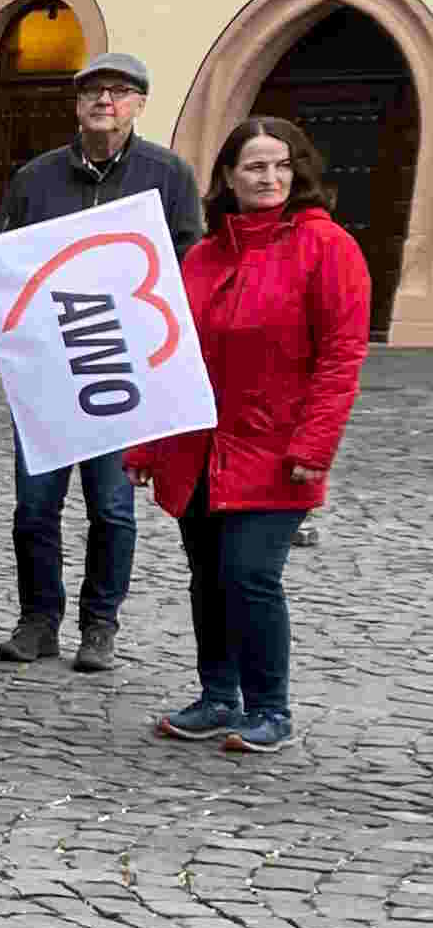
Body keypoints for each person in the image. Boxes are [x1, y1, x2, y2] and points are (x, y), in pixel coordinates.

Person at [136, 115, 367, 756]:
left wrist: (314, 447)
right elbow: (169, 353)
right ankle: (218, 697)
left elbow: (341, 357)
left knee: (249, 574)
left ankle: (270, 708)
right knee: (208, 575)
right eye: (255, 166)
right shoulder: (204, 255)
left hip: (275, 447)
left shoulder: (329, 248)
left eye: (281, 165)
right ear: (229, 178)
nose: (270, 177)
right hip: (197, 447)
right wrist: (147, 444)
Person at [0, 50, 205, 670]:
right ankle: (38, 620)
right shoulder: (35, 178)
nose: (104, 101)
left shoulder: (168, 174)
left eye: (118, 92)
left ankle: (99, 625)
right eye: (92, 92)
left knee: (112, 508)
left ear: (139, 104)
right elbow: (7, 257)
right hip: (48, 368)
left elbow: (187, 263)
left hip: (122, 367)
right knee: (35, 508)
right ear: (78, 104)